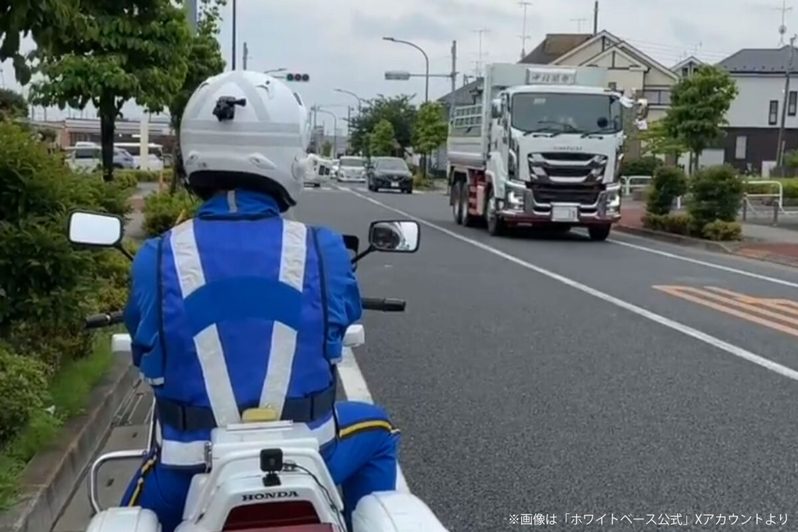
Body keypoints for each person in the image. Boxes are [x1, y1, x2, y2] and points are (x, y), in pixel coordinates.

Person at [121, 70, 400, 532]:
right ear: (289, 153)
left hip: (188, 468)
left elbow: (143, 345)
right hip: (311, 457)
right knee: (378, 431)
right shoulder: (322, 248)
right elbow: (341, 323)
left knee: (127, 514)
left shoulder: (158, 254)